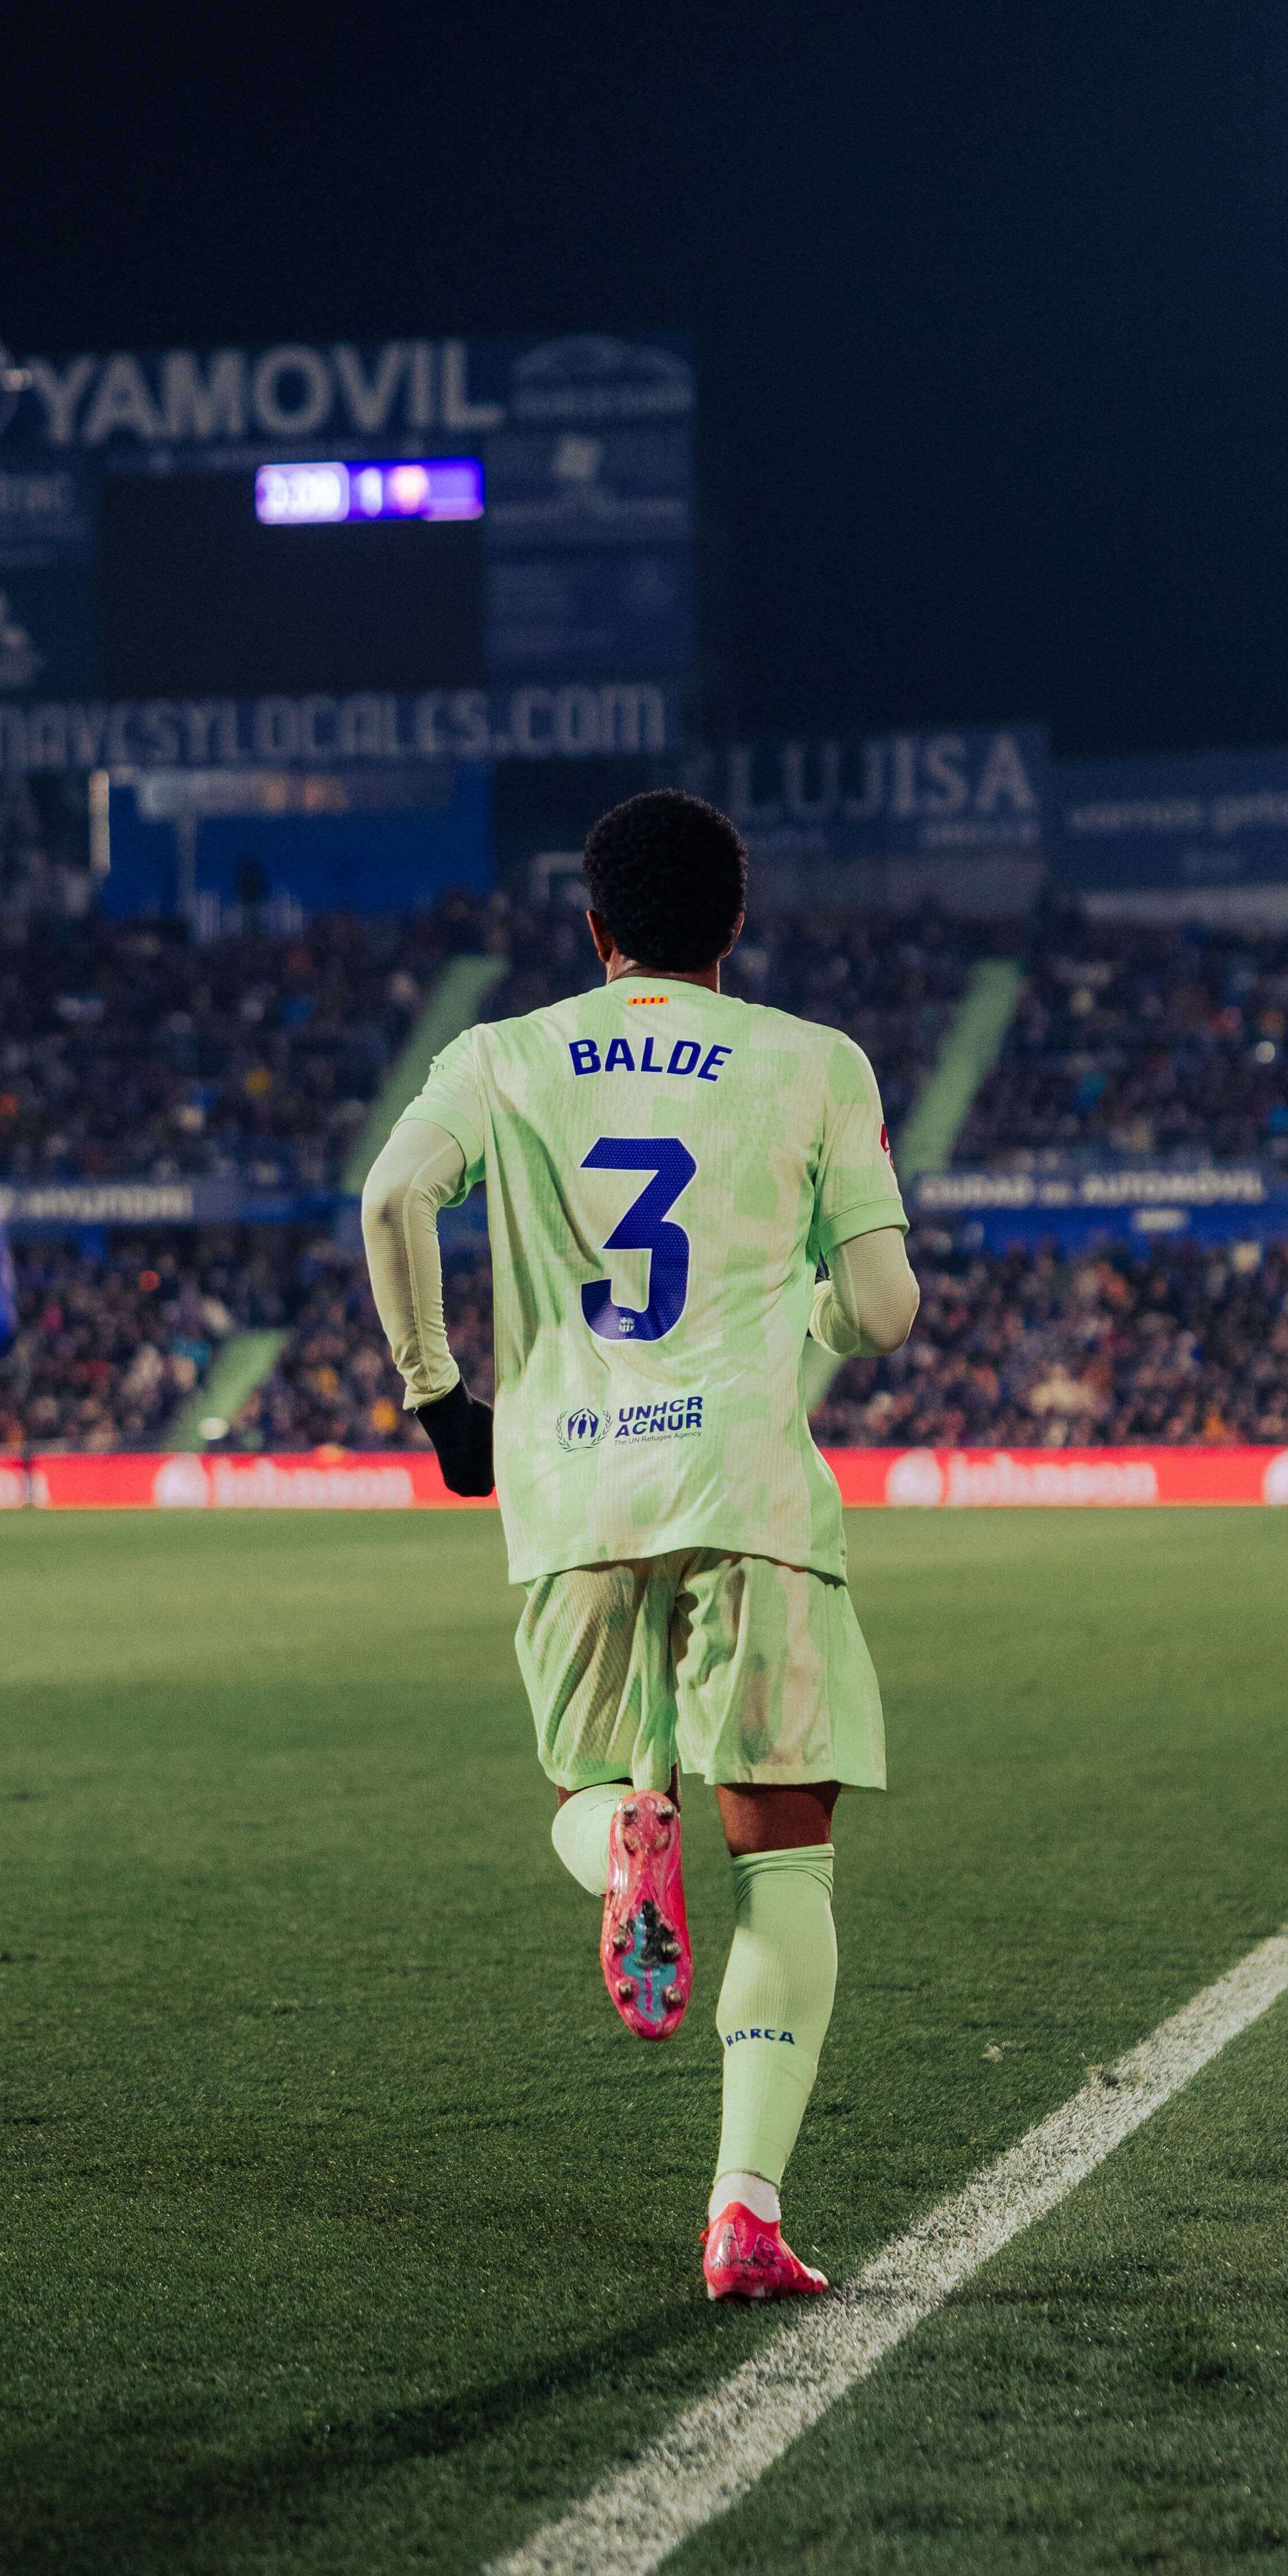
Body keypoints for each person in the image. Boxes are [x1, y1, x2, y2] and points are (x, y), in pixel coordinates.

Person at [362, 790, 917, 2303]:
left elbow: (392, 1193)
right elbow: (880, 1310)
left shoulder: (503, 1057)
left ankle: (619, 1847)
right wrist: (802, 1315)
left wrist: (439, 1401)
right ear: (733, 927)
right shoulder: (816, 1063)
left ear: (595, 928)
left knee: (597, 1787)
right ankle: (744, 2212)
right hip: (747, 1484)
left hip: (574, 1490)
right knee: (785, 1867)